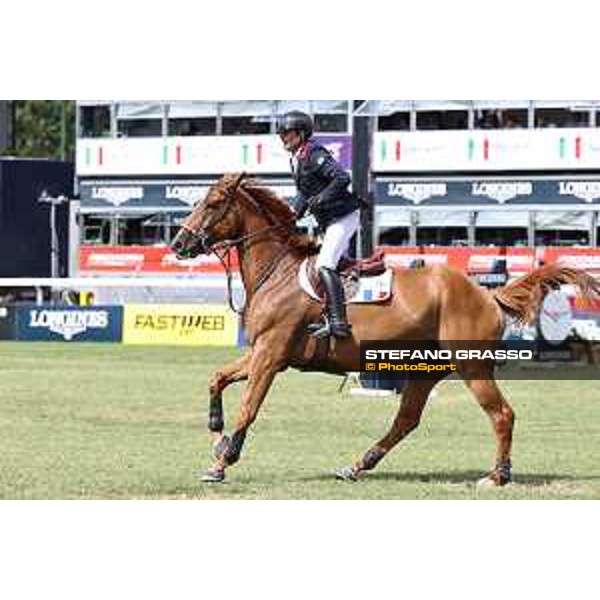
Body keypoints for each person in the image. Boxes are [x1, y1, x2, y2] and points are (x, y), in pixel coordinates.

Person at [277, 110, 362, 339]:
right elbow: (305, 193)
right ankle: (326, 312)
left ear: (301, 134)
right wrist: (291, 215)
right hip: (329, 221)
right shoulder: (296, 159)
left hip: (343, 217)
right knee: (317, 262)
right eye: (281, 133)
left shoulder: (313, 152)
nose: (283, 137)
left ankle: (338, 322)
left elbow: (342, 178)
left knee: (324, 264)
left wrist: (322, 198)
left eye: (287, 133)